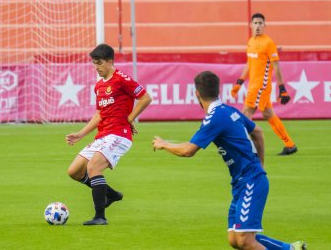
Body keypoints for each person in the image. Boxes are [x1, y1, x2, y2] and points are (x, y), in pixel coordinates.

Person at [152, 71, 306, 249]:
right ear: (218, 91)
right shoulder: (228, 110)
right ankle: (290, 248)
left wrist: (164, 144)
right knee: (234, 239)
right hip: (243, 182)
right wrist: (260, 163)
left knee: (245, 240)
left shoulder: (214, 117)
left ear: (197, 93)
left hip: (250, 181)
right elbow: (257, 132)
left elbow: (188, 151)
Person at [66, 43, 152, 225]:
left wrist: (130, 118)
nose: (96, 67)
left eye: (99, 63)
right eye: (94, 64)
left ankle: (100, 217)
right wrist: (81, 134)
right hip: (103, 135)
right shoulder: (98, 86)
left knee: (93, 168)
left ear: (110, 61)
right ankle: (111, 194)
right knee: (74, 171)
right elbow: (99, 114)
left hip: (119, 135)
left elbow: (145, 98)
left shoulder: (122, 79)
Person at [231, 13, 297, 156]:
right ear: (251, 25)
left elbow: (277, 67)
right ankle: (289, 144)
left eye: (261, 23)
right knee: (268, 114)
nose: (258, 26)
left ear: (265, 25)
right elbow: (249, 63)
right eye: (255, 23)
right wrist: (240, 82)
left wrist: (282, 89)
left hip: (260, 85)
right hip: (253, 84)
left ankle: (244, 148)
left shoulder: (268, 43)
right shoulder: (250, 42)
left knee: (245, 113)